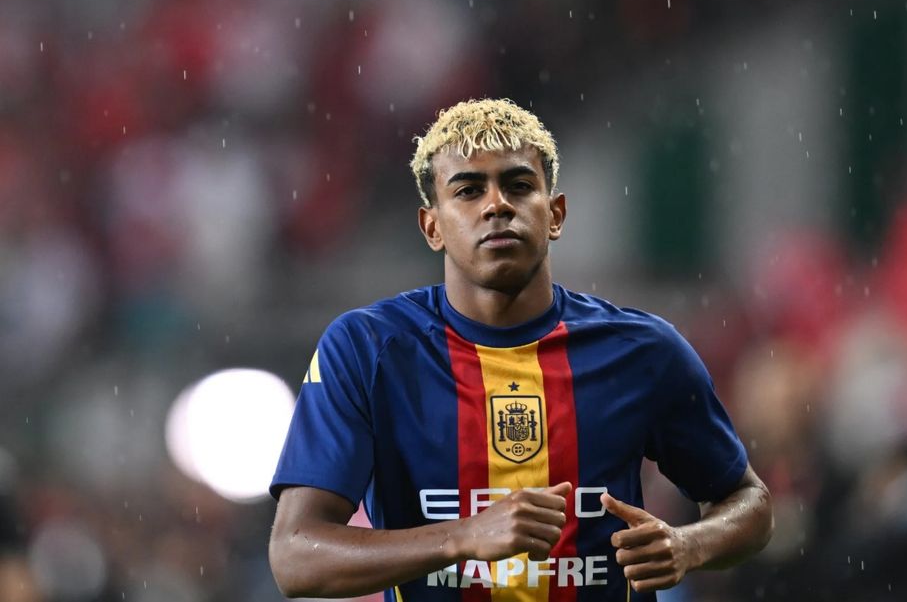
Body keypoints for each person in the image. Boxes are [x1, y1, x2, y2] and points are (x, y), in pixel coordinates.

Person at [268, 98, 773, 602]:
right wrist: (462, 536)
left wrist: (689, 545)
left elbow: (749, 502)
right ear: (432, 227)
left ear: (555, 214)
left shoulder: (643, 351)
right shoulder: (367, 350)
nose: (497, 205)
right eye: (468, 190)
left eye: (518, 185)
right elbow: (295, 557)